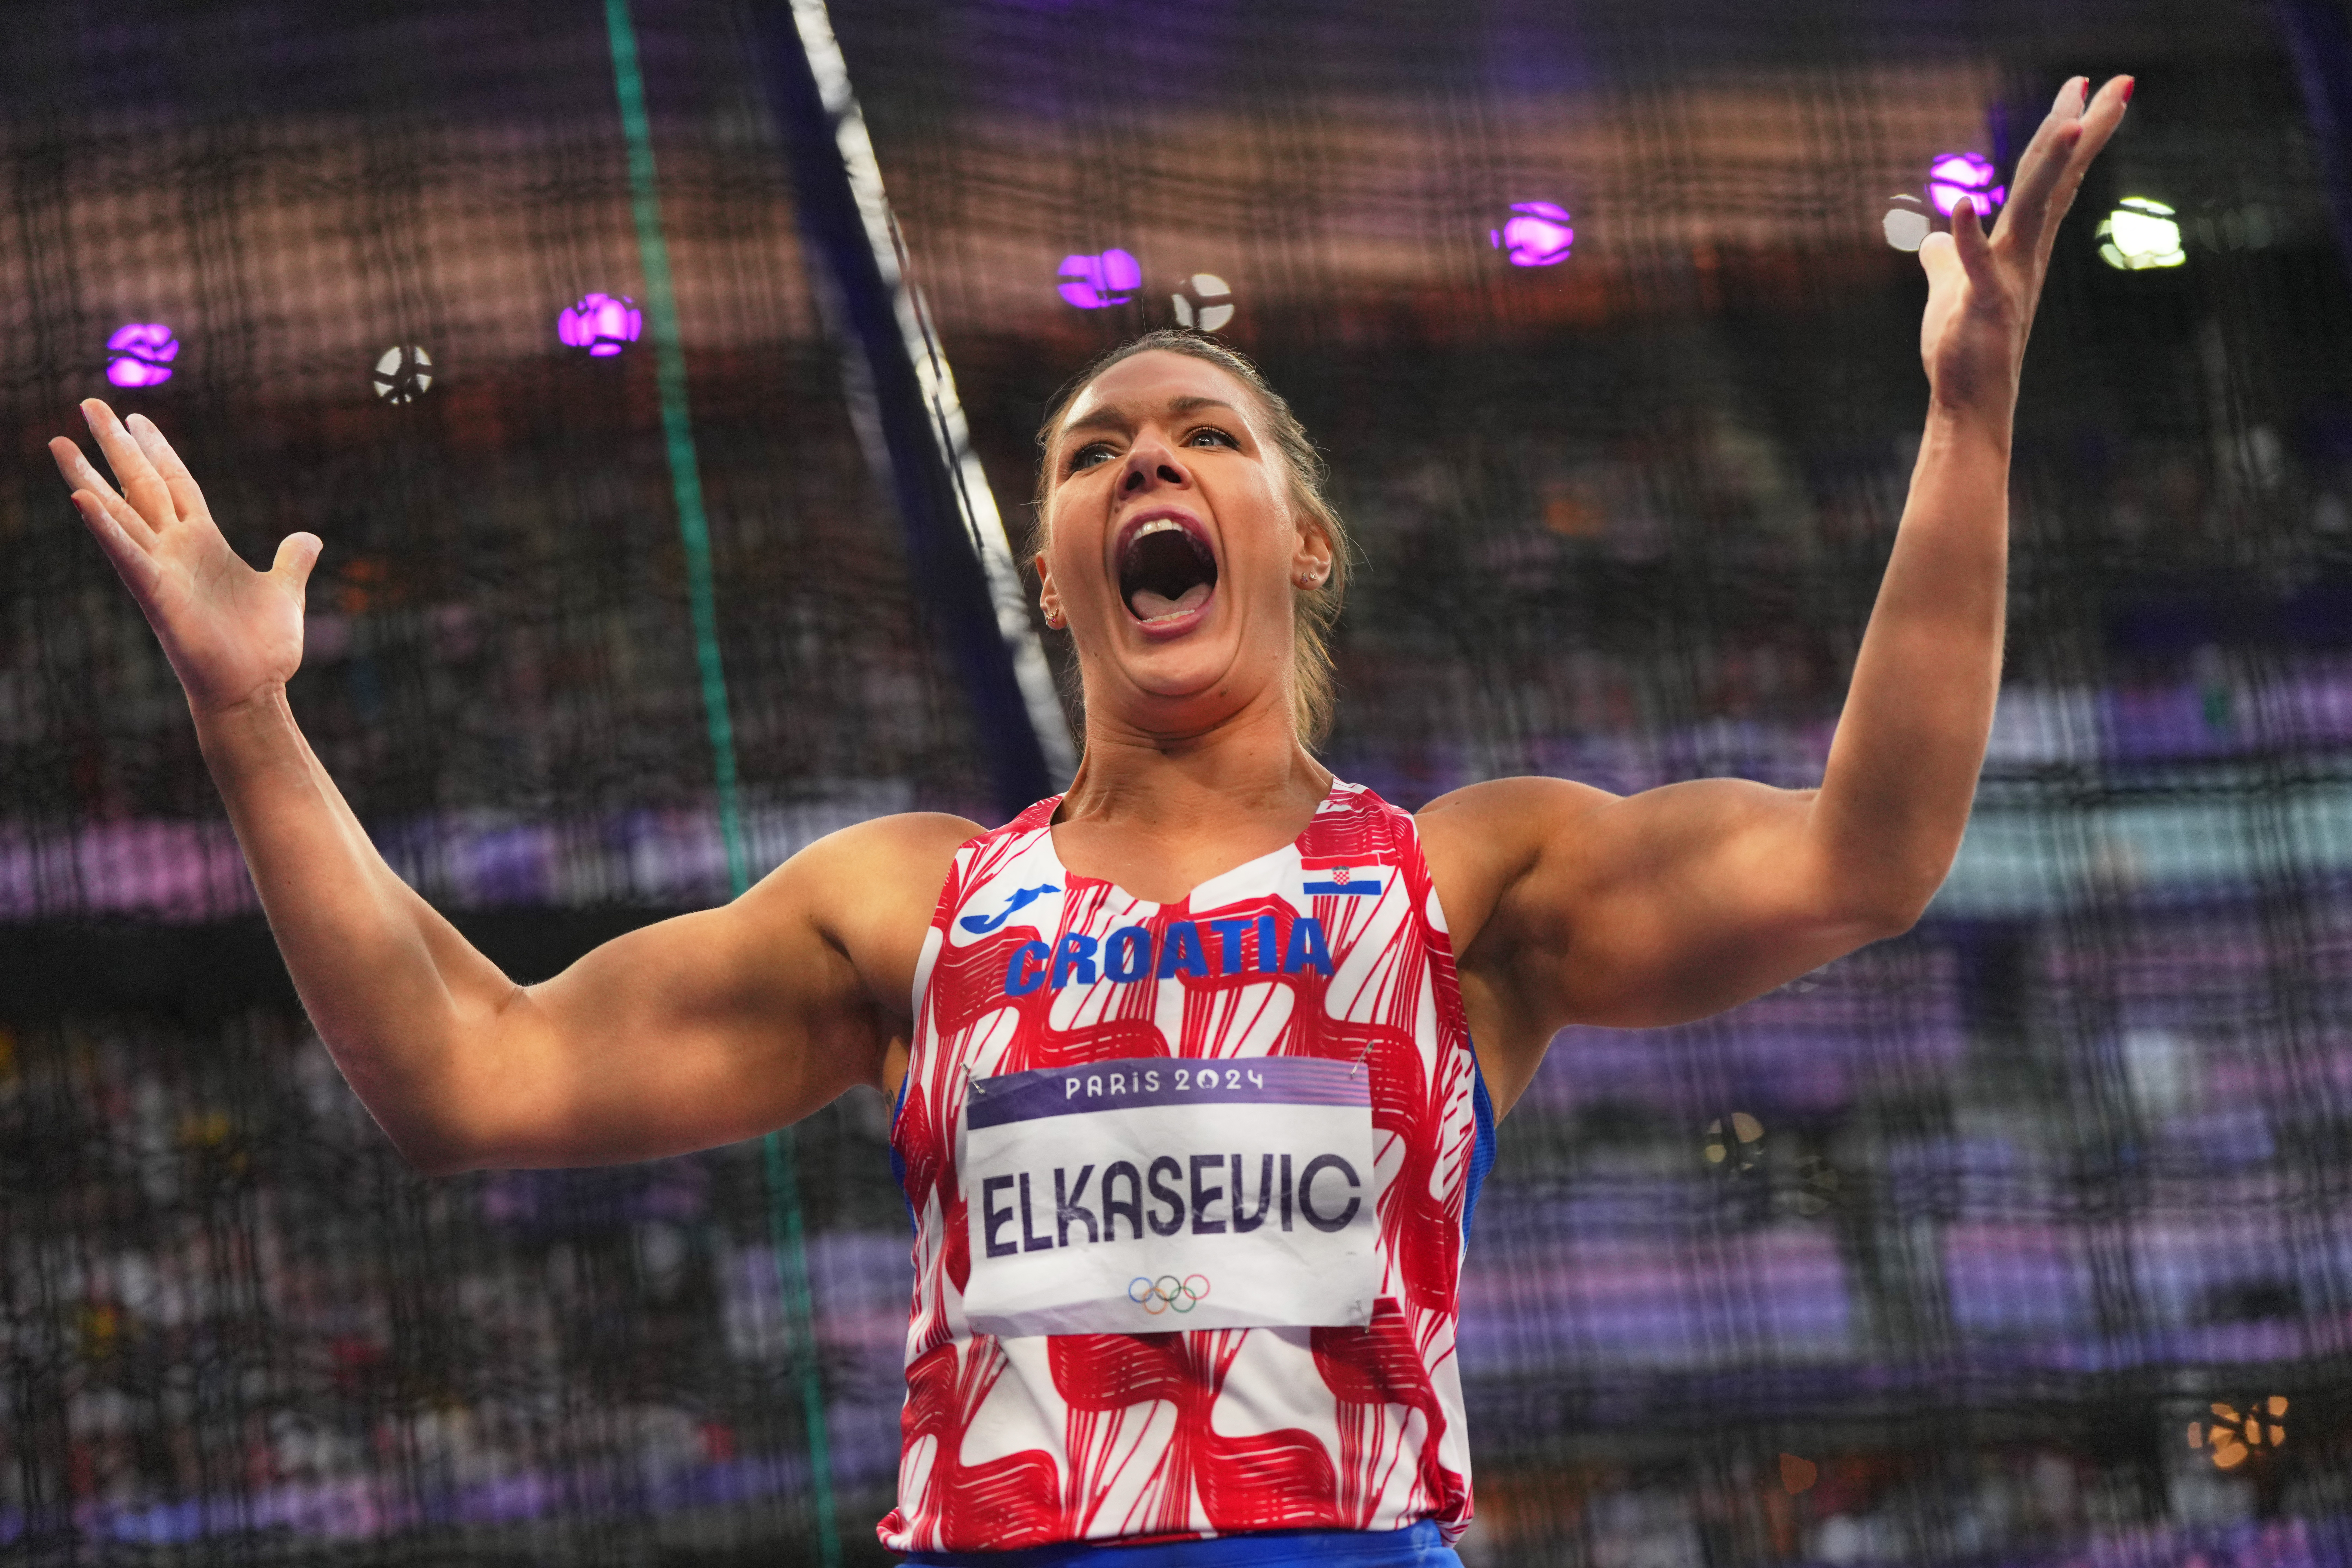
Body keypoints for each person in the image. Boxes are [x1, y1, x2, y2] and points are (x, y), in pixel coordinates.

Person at [50, 74, 2129, 1566]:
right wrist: (248, 719)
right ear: (1058, 563)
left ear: (1295, 538)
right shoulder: (914, 911)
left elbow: (1874, 851)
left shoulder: (1463, 882)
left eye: (1201, 432)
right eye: (1094, 448)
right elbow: (462, 1071)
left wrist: (1966, 422)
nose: (1146, 456)